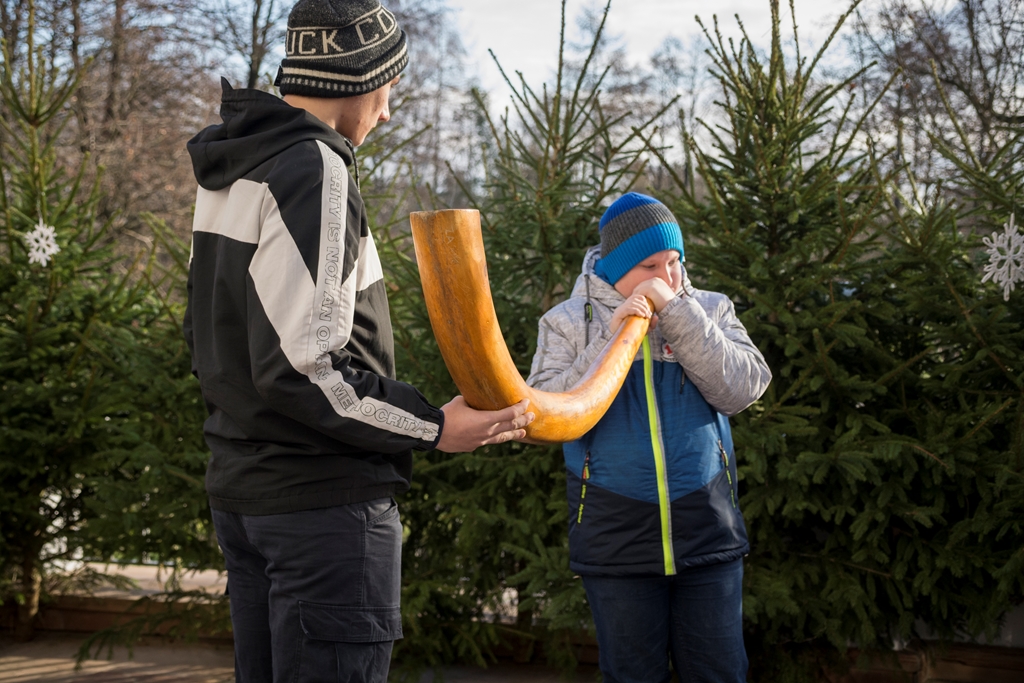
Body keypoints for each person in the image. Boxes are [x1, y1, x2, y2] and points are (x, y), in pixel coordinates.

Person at [183, 1, 533, 681]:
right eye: (389, 88)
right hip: (322, 510)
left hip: (244, 498)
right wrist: (435, 426)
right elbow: (306, 368)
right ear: (358, 79)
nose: (389, 112)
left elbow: (206, 340)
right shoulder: (316, 169)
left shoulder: (235, 164)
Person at [527, 192, 772, 683]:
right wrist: (612, 335)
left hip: (708, 529)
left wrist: (677, 315)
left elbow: (743, 388)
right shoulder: (567, 321)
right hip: (615, 539)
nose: (668, 278)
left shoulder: (710, 309)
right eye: (650, 266)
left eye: (674, 261)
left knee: (721, 673)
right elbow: (545, 412)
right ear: (615, 269)